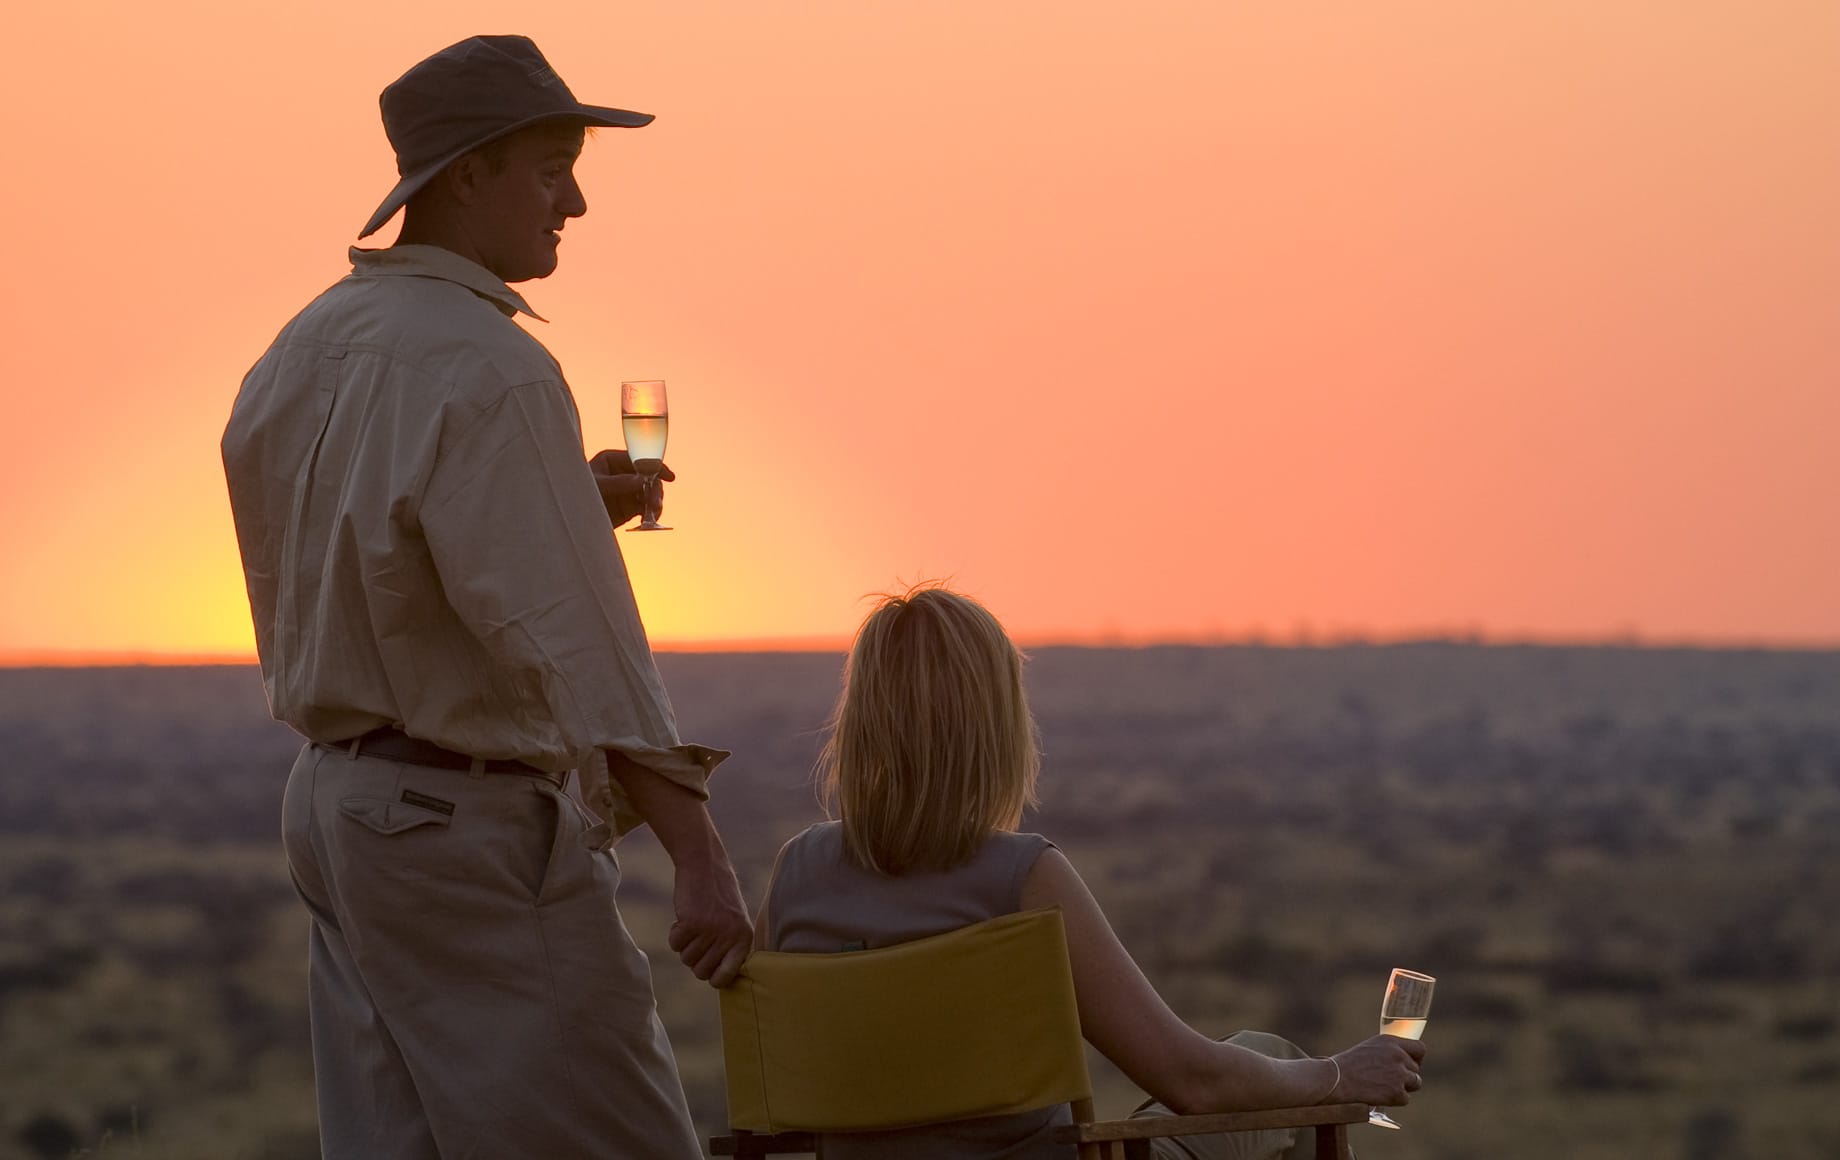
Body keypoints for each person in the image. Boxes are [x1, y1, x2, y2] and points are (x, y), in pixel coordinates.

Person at [220, 34, 750, 1159]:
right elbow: (583, 638)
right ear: (467, 175)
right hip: (464, 831)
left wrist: (558, 502)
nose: (578, 201)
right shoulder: (492, 369)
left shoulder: (302, 346)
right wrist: (697, 853)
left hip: (338, 811)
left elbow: (366, 563)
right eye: (552, 166)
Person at [755, 585, 1427, 1160]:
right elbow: (1193, 1081)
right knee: (1271, 1056)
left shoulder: (796, 876)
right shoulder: (1021, 877)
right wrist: (1338, 1073)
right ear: (995, 726)